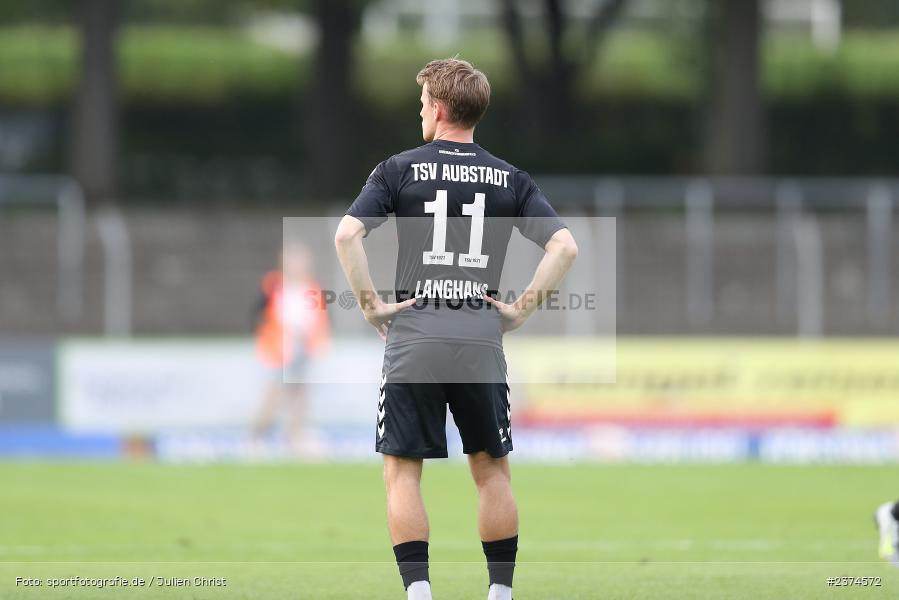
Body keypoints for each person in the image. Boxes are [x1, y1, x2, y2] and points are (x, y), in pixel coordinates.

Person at [334, 58, 578, 600]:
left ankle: (419, 593)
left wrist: (372, 307)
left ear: (440, 109)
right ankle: (500, 594)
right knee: (491, 472)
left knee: (403, 472)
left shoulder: (398, 169)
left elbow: (347, 235)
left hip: (415, 334)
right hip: (479, 336)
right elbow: (564, 246)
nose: (420, 110)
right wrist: (520, 310)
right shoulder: (510, 178)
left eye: (423, 102)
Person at [252, 242, 330, 455]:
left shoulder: (312, 287)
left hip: (302, 350)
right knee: (273, 395)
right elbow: (261, 315)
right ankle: (256, 438)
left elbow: (318, 320)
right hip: (279, 351)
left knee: (300, 395)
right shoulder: (273, 285)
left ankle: (295, 437)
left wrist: (318, 343)